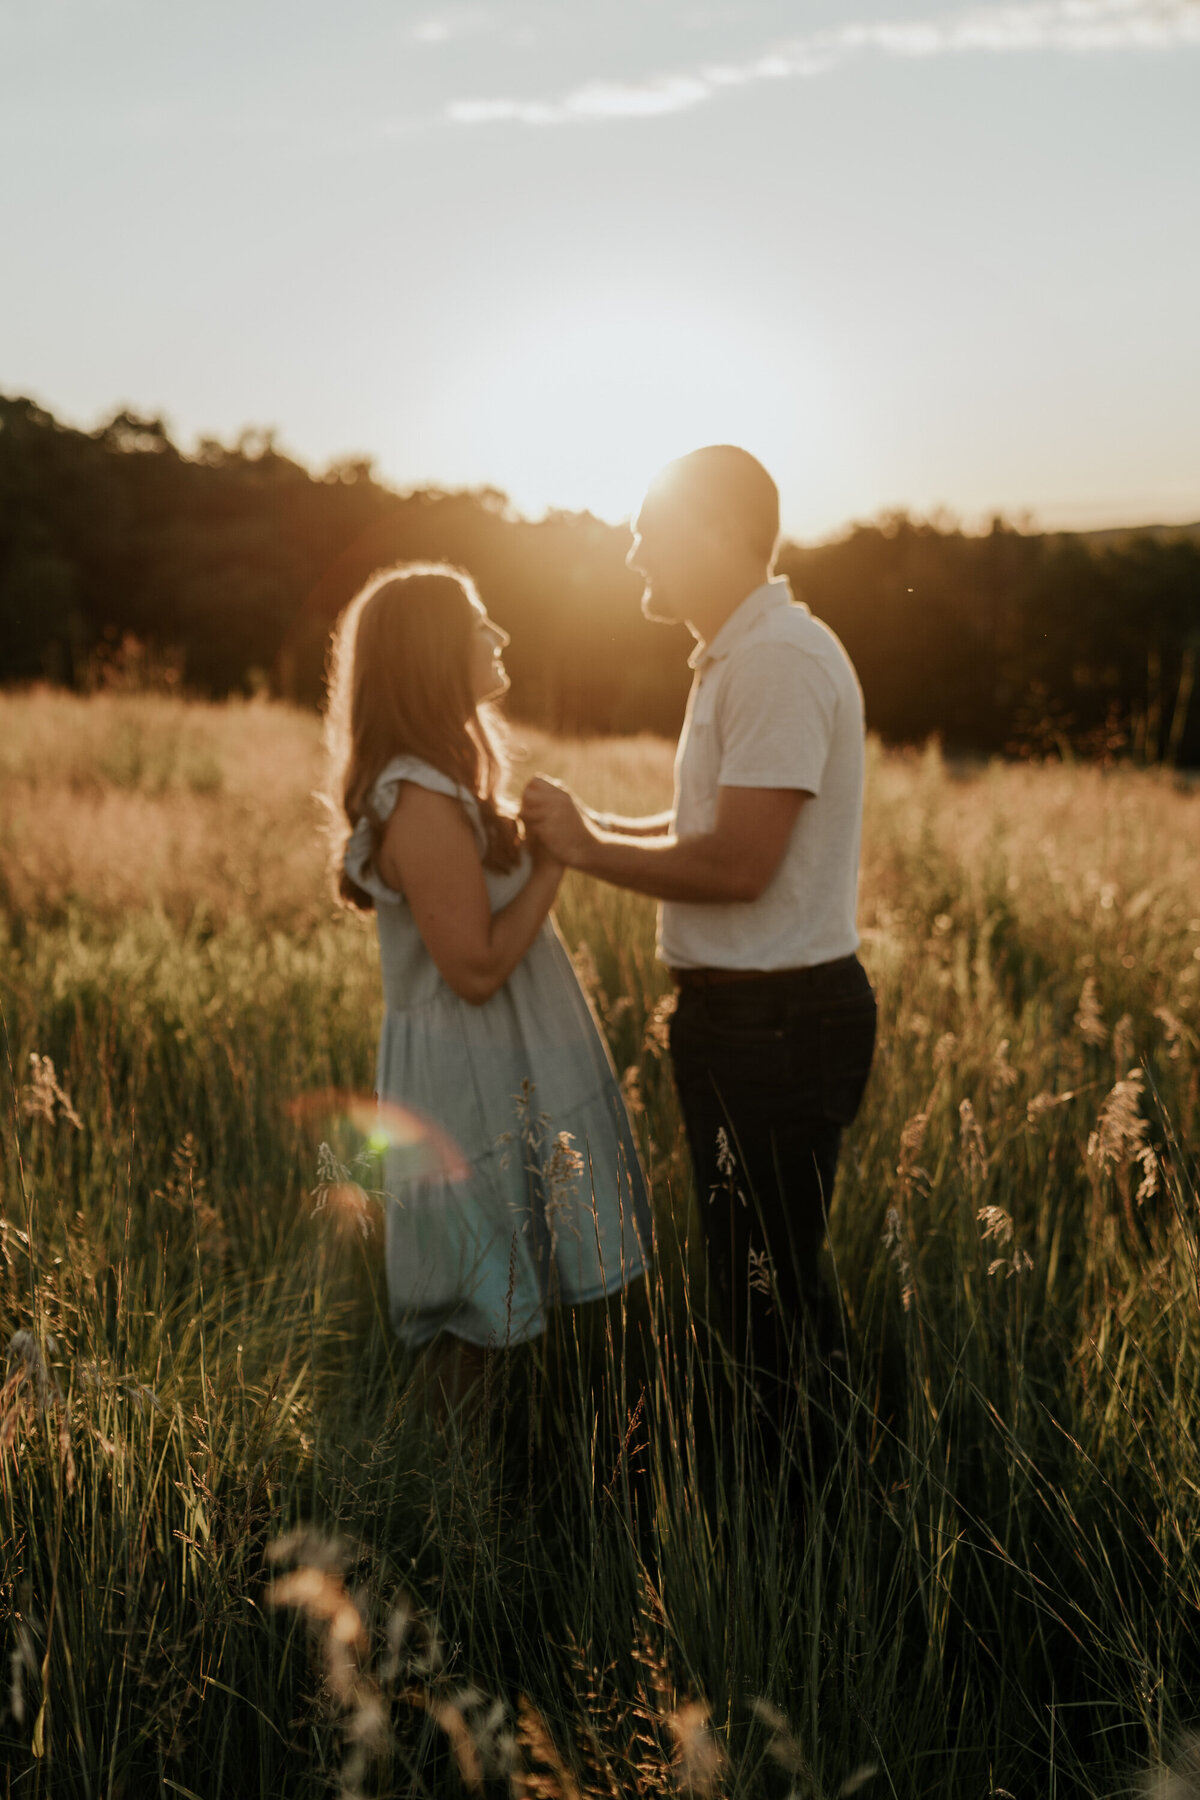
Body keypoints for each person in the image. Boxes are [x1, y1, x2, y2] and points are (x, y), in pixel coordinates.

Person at [521, 446, 876, 1424]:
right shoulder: (741, 652)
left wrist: (585, 849)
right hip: (756, 1022)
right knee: (767, 1280)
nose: (635, 553)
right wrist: (586, 826)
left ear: (723, 534)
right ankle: (806, 1495)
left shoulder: (774, 660)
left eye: (653, 531)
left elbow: (738, 866)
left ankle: (790, 1520)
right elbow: (704, 835)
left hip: (778, 1025)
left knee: (766, 1296)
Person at [323, 562, 652, 1412]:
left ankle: (458, 1514)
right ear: (435, 652)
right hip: (461, 1085)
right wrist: (556, 859)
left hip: (489, 1070)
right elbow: (472, 970)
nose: (499, 637)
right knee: (475, 1321)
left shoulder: (445, 785)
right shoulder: (419, 798)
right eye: (479, 623)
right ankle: (427, 1514)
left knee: (495, 1315)